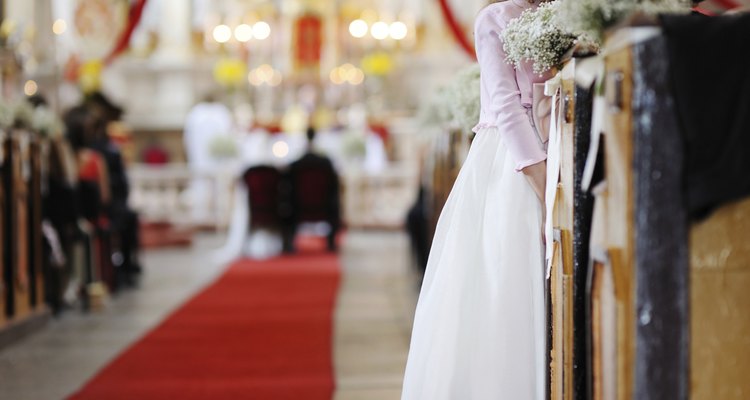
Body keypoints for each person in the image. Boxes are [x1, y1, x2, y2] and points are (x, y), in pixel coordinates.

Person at [402, 1, 549, 399]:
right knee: (507, 279)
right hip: (513, 161)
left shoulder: (563, 11)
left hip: (561, 146)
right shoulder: (495, 17)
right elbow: (505, 105)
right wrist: (541, 179)